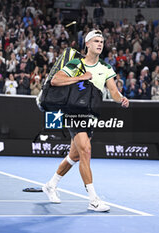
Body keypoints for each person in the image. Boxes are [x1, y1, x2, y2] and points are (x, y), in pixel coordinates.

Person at [43, 30, 129, 212]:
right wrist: (80, 77)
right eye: (96, 41)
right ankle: (93, 199)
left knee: (74, 155)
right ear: (87, 44)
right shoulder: (76, 63)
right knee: (86, 150)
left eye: (102, 42)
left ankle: (51, 185)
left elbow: (112, 90)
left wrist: (120, 97)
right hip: (73, 112)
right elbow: (56, 80)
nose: (100, 44)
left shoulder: (106, 67)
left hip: (90, 115)